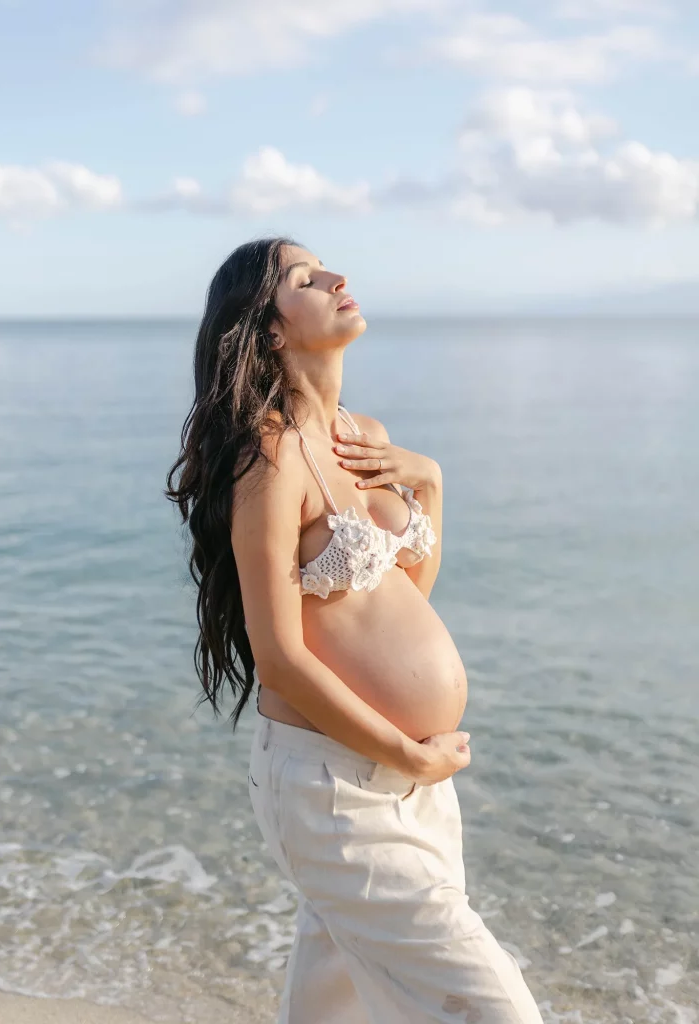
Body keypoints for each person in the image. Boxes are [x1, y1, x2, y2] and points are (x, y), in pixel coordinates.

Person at [165, 236, 545, 1023]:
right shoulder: (269, 460)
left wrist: (429, 482)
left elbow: (401, 597)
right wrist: (409, 752)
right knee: (496, 1010)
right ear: (271, 330)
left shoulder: (360, 434)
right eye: (305, 278)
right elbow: (280, 658)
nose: (337, 278)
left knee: (334, 1005)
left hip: (408, 783)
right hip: (335, 790)